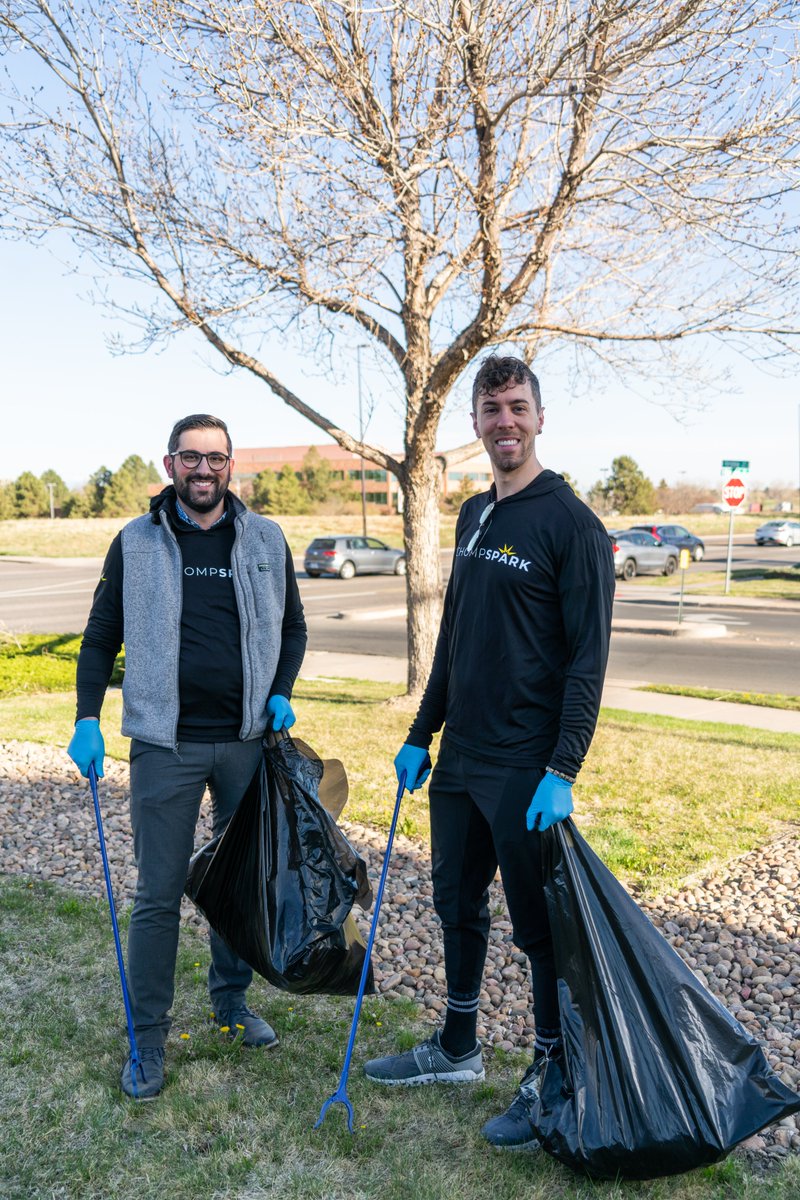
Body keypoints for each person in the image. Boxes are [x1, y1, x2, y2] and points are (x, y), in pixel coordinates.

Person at [364, 355, 615, 1150]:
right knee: (454, 905)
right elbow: (453, 642)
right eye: (490, 409)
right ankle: (458, 1047)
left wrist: (563, 768)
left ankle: (550, 1071)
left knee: (539, 931)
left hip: (524, 766)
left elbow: (587, 659)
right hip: (461, 761)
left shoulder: (572, 526)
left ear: (540, 418)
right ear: (473, 423)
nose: (504, 421)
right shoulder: (474, 516)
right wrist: (418, 735)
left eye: (516, 406)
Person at [68, 414, 307, 1101]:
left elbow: (293, 627)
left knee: (238, 884)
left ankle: (230, 1008)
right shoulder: (136, 543)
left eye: (216, 458)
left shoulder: (265, 538)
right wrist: (88, 718)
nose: (204, 470)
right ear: (169, 464)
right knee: (157, 896)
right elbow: (98, 638)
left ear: (232, 465)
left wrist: (282, 692)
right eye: (190, 458)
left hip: (245, 742)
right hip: (163, 746)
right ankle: (147, 1040)